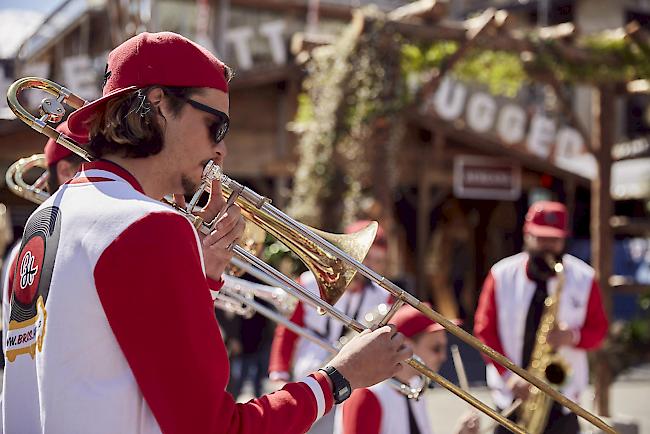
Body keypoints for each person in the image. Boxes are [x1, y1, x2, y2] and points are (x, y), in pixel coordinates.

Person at [2, 32, 412, 434]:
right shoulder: (150, 225)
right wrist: (339, 378)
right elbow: (214, 427)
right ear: (159, 105)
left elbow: (104, 361)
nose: (221, 150)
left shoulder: (45, 218)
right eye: (215, 126)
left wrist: (206, 277)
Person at [474, 201, 609, 434]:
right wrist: (509, 376)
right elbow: (484, 332)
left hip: (563, 398)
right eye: (541, 238)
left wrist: (573, 336)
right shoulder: (501, 275)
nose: (548, 247)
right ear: (527, 235)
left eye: (554, 240)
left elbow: (599, 331)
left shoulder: (584, 278)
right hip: (513, 395)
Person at [269, 220, 393, 434]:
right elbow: (287, 331)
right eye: (367, 257)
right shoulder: (308, 283)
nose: (370, 267)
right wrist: (279, 373)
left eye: (378, 261)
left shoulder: (384, 298)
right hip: (307, 378)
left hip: (354, 385)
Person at [334, 304, 479, 434]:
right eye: (436, 348)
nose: (443, 357)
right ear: (406, 346)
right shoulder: (367, 396)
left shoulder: (415, 387)